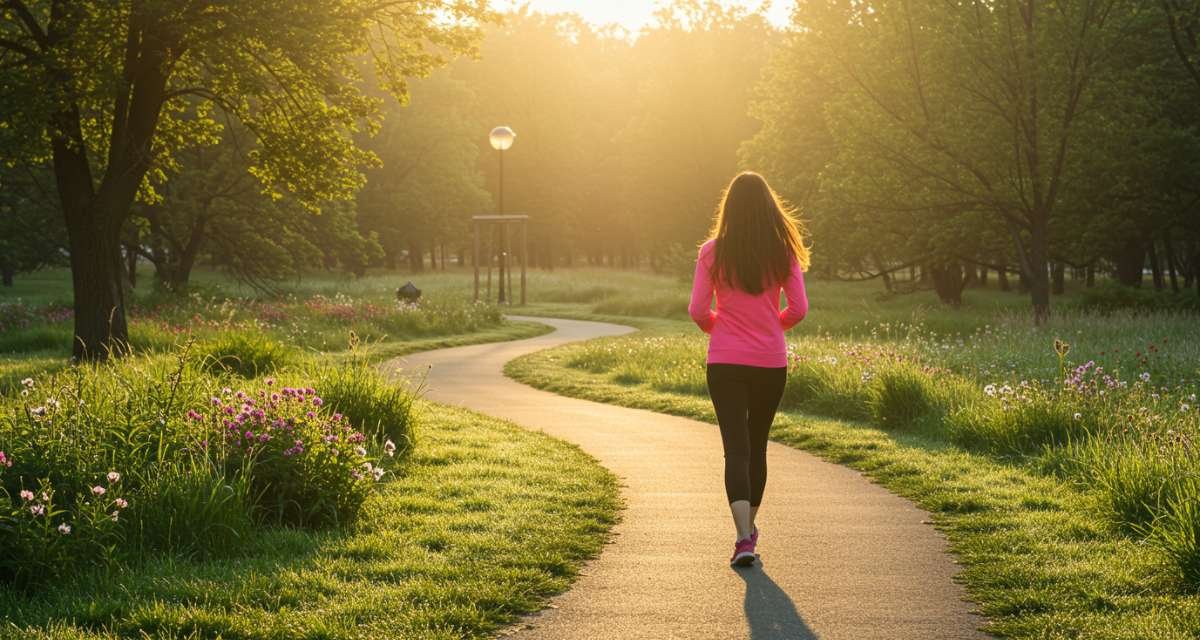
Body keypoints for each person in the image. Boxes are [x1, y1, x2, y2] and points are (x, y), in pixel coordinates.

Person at [688, 171, 810, 567]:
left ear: (730, 208)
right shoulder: (782, 253)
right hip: (770, 362)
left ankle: (743, 536)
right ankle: (749, 534)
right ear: (768, 208)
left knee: (735, 449)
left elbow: (697, 309)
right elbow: (799, 309)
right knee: (757, 445)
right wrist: (774, 326)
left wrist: (717, 327)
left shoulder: (712, 251)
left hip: (724, 361)